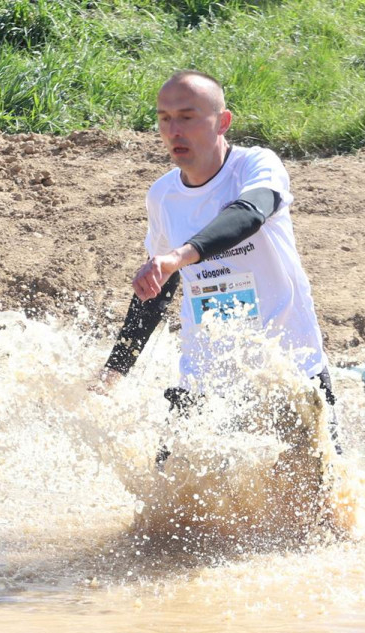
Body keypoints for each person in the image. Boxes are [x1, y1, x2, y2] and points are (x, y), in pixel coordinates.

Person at [95, 70, 337, 460]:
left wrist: (179, 255)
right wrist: (115, 370)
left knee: (321, 496)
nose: (174, 131)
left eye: (187, 117)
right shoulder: (162, 196)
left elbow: (248, 215)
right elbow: (158, 287)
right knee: (169, 493)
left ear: (222, 121)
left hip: (289, 366)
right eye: (164, 118)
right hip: (206, 376)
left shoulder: (256, 166)